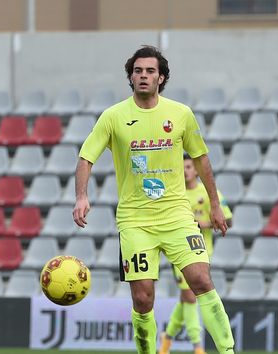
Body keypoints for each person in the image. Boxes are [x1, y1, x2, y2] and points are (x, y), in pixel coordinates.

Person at [73, 46, 235, 354]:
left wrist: (214, 203)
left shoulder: (180, 113)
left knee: (201, 279)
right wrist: (81, 196)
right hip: (135, 221)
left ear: (161, 78)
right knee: (143, 298)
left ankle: (228, 351)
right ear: (130, 78)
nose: (143, 76)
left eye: (149, 71)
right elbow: (86, 157)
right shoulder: (113, 116)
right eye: (137, 71)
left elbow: (200, 158)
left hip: (176, 215)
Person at [159, 154, 233, 354]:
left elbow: (228, 219)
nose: (186, 171)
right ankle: (197, 347)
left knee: (187, 297)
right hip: (179, 252)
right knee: (190, 297)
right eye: (182, 167)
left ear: (196, 169)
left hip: (202, 251)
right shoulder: (176, 194)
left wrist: (206, 223)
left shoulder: (209, 193)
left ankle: (166, 341)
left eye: (190, 166)